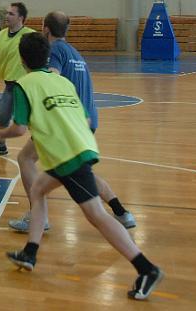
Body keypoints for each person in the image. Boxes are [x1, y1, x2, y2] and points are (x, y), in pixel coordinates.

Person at [0, 33, 163, 300]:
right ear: (47, 57)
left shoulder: (24, 85)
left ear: (22, 60)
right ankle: (30, 253)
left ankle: (146, 268)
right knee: (37, 190)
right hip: (81, 146)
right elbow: (84, 118)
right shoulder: (62, 81)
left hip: (67, 155)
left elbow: (20, 128)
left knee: (96, 215)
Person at [8, 12, 136, 233]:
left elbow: (51, 78)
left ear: (46, 29)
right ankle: (121, 211)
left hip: (68, 120)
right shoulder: (74, 52)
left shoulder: (54, 51)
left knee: (25, 158)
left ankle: (37, 216)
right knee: (81, 173)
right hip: (87, 119)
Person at [0, 2, 35, 156]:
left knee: (35, 120)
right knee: (2, 116)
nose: (7, 16)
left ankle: (43, 146)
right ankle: (0, 146)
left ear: (21, 18)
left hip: (29, 86)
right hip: (11, 86)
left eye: (11, 13)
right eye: (7, 13)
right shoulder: (1, 35)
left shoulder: (30, 35)